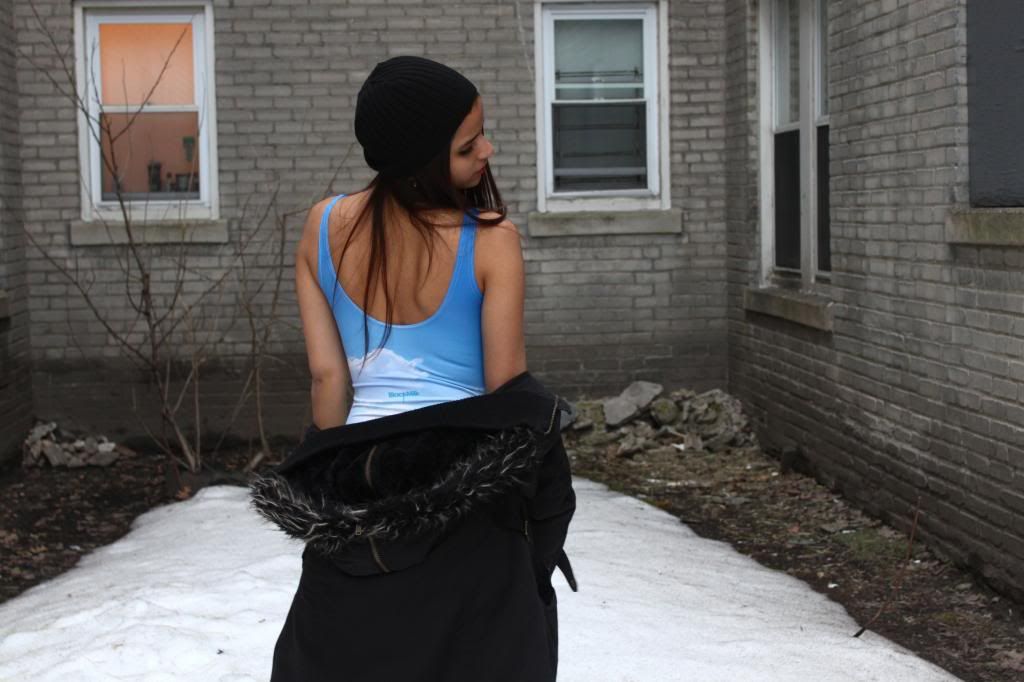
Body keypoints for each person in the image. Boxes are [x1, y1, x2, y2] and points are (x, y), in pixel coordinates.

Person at [250, 56, 577, 682]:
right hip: (466, 498)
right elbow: (506, 393)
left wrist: (339, 498)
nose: (487, 150)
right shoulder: (491, 240)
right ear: (421, 160)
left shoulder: (322, 226)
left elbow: (328, 381)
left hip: (359, 496)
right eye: (467, 146)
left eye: (482, 133)